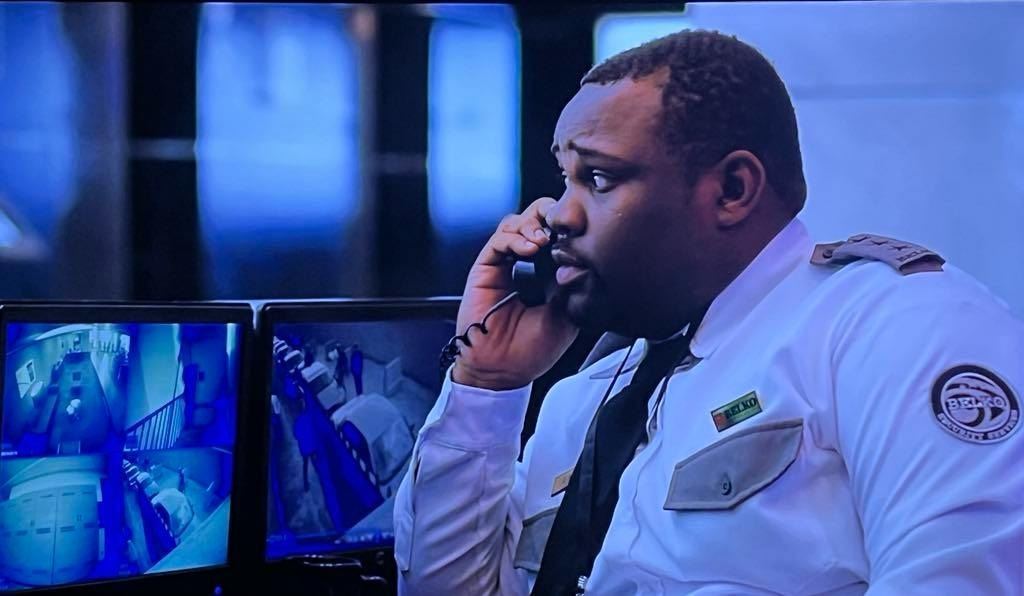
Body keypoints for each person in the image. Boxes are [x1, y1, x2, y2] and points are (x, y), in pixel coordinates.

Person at [394, 29, 1024, 595]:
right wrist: (487, 385)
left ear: (732, 190)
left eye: (599, 178)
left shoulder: (892, 329)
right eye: (565, 177)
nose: (558, 214)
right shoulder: (586, 396)